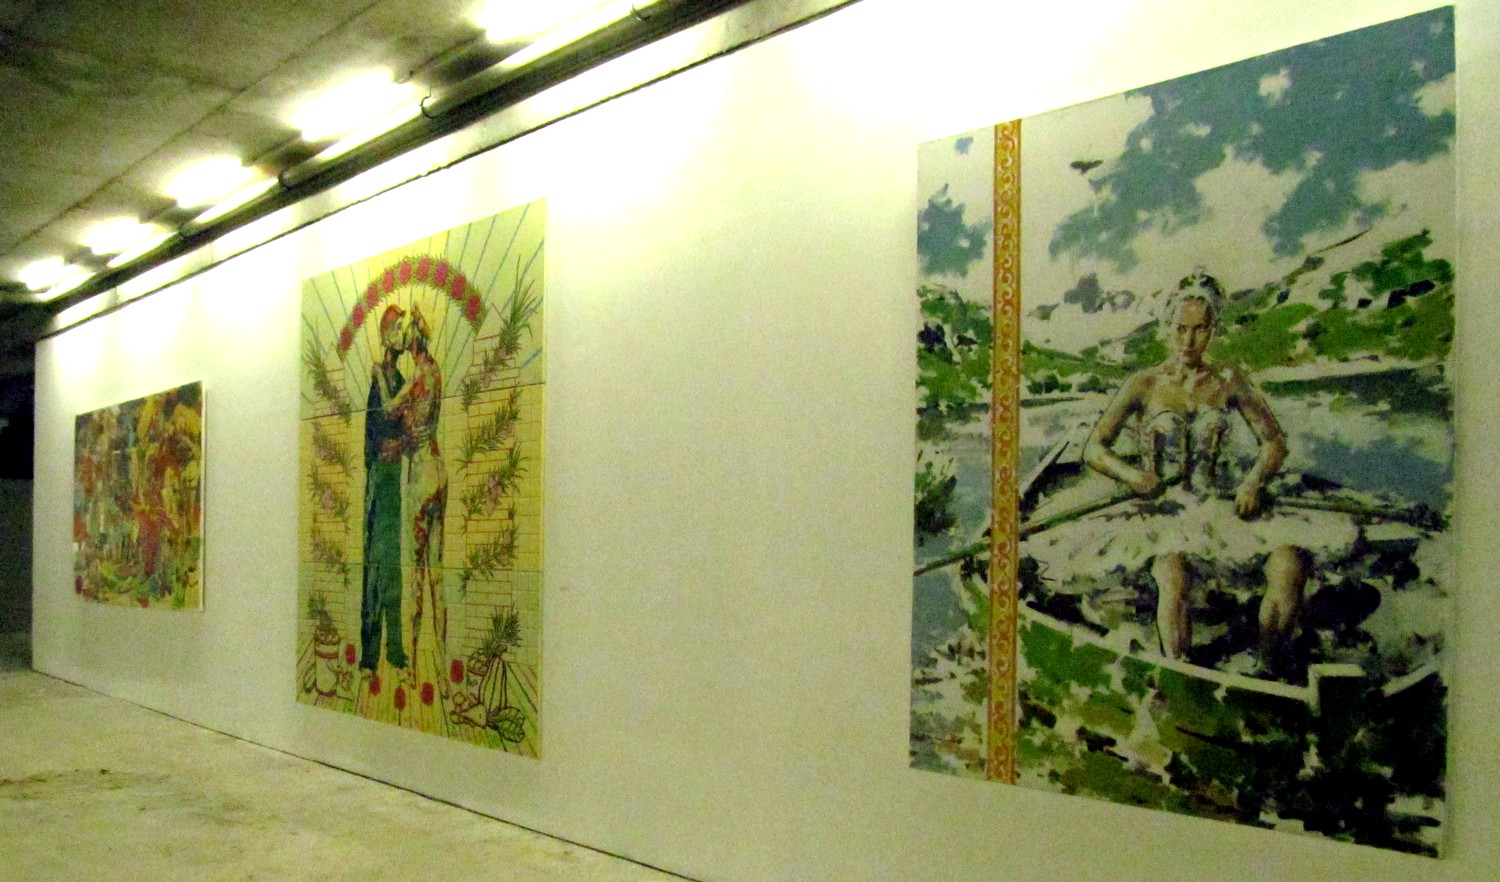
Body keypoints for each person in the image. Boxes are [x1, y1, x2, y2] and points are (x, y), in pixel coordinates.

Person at [1024, 272, 1357, 664]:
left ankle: (1267, 667)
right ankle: (1179, 672)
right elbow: (1094, 449)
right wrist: (1133, 476)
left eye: (1200, 330)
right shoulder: (1143, 383)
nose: (1188, 341)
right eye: (1180, 329)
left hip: (1218, 506)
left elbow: (1274, 443)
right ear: (1168, 327)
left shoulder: (1229, 380)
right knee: (1173, 571)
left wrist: (1252, 483)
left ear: (1213, 329)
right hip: (1158, 512)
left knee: (1290, 564)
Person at [399, 305, 449, 684]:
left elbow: (398, 415)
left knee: (416, 573)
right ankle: (444, 674)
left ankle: (414, 669)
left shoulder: (416, 377)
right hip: (439, 470)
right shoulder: (436, 370)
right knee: (438, 575)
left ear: (413, 339)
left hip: (420, 475)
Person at [360, 304, 409, 673]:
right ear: (385, 334)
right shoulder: (378, 380)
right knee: (375, 564)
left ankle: (394, 649)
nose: (402, 334)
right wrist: (382, 454)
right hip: (379, 477)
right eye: (397, 327)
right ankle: (369, 654)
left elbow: (405, 429)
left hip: (393, 478)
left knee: (392, 563)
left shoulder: (402, 381)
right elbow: (373, 431)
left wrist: (400, 444)